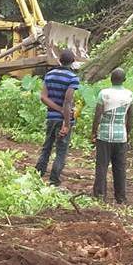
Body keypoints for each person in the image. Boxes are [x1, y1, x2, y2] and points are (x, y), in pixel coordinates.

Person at [35, 49, 79, 185]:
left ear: (59, 60)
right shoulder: (73, 78)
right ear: (72, 62)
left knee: (47, 147)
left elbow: (43, 97)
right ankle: (54, 180)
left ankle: (37, 175)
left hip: (51, 117)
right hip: (64, 118)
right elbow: (68, 101)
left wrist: (57, 109)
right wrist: (66, 123)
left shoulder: (49, 75)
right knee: (61, 150)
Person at [91, 67, 133, 204]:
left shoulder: (103, 94)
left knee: (102, 166)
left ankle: (99, 195)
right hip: (120, 136)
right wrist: (127, 134)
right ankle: (121, 198)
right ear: (124, 80)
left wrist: (93, 132)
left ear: (110, 79)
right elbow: (131, 118)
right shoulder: (129, 95)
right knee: (120, 167)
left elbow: (97, 115)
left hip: (104, 135)